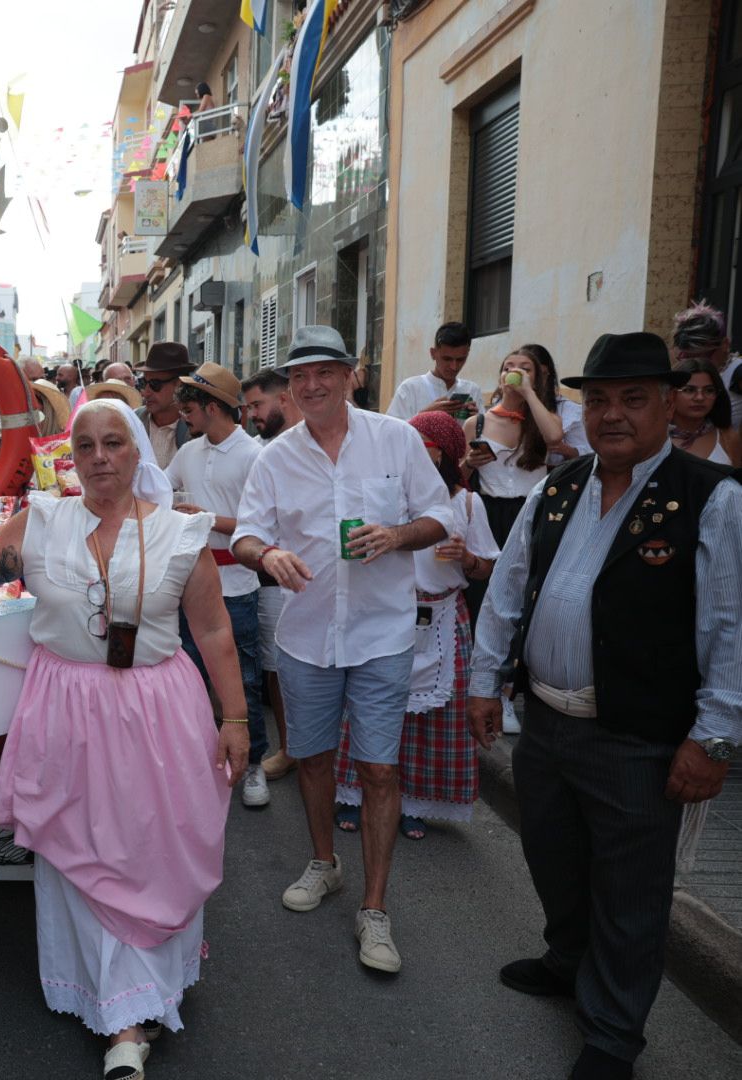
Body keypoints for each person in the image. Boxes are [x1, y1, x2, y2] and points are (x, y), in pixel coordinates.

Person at [0, 399, 248, 1080]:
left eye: (114, 443)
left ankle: (146, 990)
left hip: (159, 714)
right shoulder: (43, 520)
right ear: (72, 456)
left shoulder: (183, 534)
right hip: (65, 712)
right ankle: (121, 1017)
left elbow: (214, 633)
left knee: (151, 850)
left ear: (137, 454)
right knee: (80, 853)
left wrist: (236, 718)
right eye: (85, 445)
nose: (98, 457)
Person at [468, 331, 740, 1080]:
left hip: (637, 736)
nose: (613, 415)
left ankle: (614, 1034)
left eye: (633, 399)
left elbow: (730, 627)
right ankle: (568, 960)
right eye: (599, 400)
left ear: (668, 406)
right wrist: (483, 681)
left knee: (632, 891)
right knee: (552, 855)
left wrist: (714, 741)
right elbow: (508, 587)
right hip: (546, 725)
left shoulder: (711, 498)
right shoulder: (560, 485)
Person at [232, 325, 453, 974]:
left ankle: (375, 908)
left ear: (351, 375)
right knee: (312, 758)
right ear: (289, 387)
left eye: (325, 372)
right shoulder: (275, 458)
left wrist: (398, 534)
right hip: (305, 638)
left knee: (381, 769)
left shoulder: (397, 439)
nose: (312, 385)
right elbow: (246, 536)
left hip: (382, 633)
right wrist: (267, 553)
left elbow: (441, 516)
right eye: (300, 376)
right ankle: (324, 863)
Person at [332, 410, 496, 840]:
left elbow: (488, 570)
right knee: (372, 710)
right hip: (391, 610)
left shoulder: (467, 503)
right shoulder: (391, 494)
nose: (416, 457)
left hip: (443, 616)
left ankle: (413, 804)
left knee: (432, 721)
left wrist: (467, 559)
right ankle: (355, 794)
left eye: (426, 449)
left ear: (445, 454)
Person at [170, 363, 268, 808]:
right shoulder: (188, 452)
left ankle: (254, 766)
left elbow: (265, 525)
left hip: (238, 582)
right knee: (190, 677)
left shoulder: (255, 456)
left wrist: (204, 519)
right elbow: (160, 490)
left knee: (244, 680)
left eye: (188, 405)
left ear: (212, 407)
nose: (183, 413)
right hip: (190, 583)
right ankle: (197, 761)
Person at [240, 367, 303, 781]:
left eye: (257, 405)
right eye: (247, 408)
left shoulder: (313, 442)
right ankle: (291, 748)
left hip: (322, 576)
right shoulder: (263, 451)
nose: (251, 415)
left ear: (284, 399)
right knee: (279, 669)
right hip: (273, 575)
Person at [464, 345, 565, 545]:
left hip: (531, 509)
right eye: (507, 368)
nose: (514, 372)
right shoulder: (476, 423)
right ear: (500, 379)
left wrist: (528, 392)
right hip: (490, 511)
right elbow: (460, 477)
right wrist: (469, 463)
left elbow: (554, 438)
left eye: (526, 369)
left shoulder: (546, 418)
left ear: (535, 379)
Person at [386, 321, 480, 421]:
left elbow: (483, 435)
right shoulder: (409, 389)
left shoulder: (472, 391)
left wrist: (476, 423)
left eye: (460, 360)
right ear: (433, 353)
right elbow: (391, 432)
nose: (454, 367)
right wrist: (424, 416)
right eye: (447, 359)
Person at [671, 300, 742, 424]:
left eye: (703, 356)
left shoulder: (738, 373)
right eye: (687, 357)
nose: (696, 363)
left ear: (725, 344)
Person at [669, 357, 739, 465]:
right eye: (689, 390)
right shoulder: (653, 437)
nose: (700, 397)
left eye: (709, 390)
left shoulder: (728, 438)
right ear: (671, 394)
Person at [134, 342, 193, 470]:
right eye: (144, 383)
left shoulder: (195, 427)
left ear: (179, 384)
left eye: (155, 384)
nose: (146, 392)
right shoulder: (133, 421)